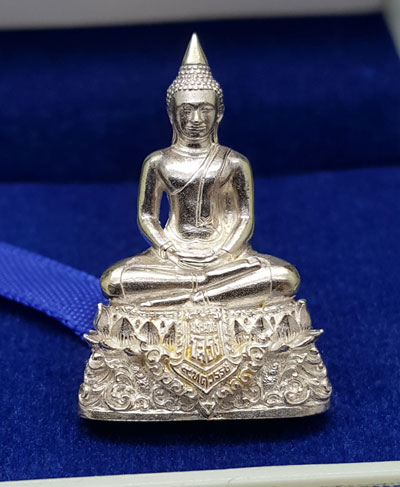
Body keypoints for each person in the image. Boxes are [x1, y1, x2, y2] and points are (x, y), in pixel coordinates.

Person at [101, 34, 299, 309]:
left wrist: (224, 252)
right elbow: (147, 216)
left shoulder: (234, 162)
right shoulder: (158, 161)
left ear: (219, 113)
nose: (195, 119)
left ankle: (192, 294)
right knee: (114, 280)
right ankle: (210, 292)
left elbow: (244, 217)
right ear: (172, 113)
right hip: (172, 257)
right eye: (186, 110)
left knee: (284, 277)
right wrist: (169, 249)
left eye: (204, 110)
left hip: (224, 259)